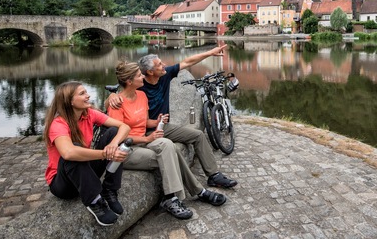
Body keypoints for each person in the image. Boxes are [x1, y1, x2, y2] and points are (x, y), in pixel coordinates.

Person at [108, 61, 227, 219]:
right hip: (126, 149)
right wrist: (146, 137)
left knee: (169, 147)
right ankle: (183, 195)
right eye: (139, 75)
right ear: (129, 81)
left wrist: (156, 122)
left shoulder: (141, 95)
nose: (142, 76)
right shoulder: (117, 104)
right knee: (169, 151)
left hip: (145, 140)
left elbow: (142, 122)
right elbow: (118, 135)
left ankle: (179, 196)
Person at [107, 46, 238, 189]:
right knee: (170, 151)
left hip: (161, 126)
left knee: (199, 135)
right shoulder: (139, 84)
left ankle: (213, 176)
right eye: (159, 65)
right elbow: (122, 94)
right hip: (144, 131)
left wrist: (210, 53)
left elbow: (188, 62)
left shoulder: (164, 75)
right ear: (150, 72)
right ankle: (183, 192)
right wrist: (111, 97)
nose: (164, 66)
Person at [43, 81, 132, 226]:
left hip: (84, 173)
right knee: (74, 149)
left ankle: (109, 190)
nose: (88, 95)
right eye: (82, 93)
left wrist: (113, 145)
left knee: (114, 133)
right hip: (63, 185)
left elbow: (124, 127)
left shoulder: (89, 114)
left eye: (86, 92)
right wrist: (105, 154)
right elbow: (68, 153)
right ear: (69, 101)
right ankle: (94, 201)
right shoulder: (58, 124)